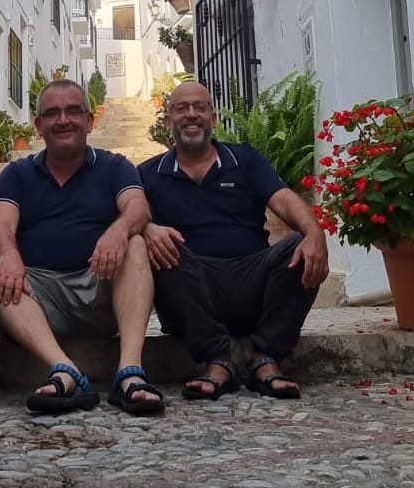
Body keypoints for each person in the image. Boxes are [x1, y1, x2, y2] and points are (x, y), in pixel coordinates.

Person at [139, 79, 329, 401]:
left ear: (213, 118)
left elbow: (284, 199)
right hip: (190, 286)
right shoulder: (147, 173)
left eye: (200, 107)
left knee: (300, 244)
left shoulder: (245, 160)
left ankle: (265, 358)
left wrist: (314, 233)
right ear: (168, 120)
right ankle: (218, 360)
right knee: (162, 248)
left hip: (251, 279)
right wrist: (147, 229)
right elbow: (129, 215)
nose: (191, 114)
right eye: (181, 108)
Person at [0, 78, 164, 416]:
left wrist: (119, 231)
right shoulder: (17, 174)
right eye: (52, 113)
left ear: (90, 120)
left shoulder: (115, 166)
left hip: (100, 290)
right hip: (40, 297)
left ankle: (130, 372)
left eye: (73, 111)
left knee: (135, 244)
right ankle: (65, 371)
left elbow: (138, 207)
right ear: (38, 125)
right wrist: (8, 254)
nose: (63, 120)